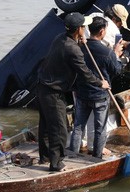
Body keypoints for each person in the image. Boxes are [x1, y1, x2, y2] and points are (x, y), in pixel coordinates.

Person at [37, 12, 110, 172]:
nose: (85, 29)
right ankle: (56, 164)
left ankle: (45, 156)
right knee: (60, 129)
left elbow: (70, 50)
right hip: (53, 92)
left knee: (46, 125)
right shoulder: (73, 50)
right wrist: (101, 83)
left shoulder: (60, 38)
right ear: (79, 29)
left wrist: (80, 42)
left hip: (42, 86)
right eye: (83, 27)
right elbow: (84, 72)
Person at [69, 17, 123, 158]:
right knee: (100, 129)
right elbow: (117, 71)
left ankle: (72, 156)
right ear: (102, 31)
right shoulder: (107, 52)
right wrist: (116, 55)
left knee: (78, 127)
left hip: (82, 93)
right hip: (99, 95)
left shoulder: (80, 48)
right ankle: (97, 157)